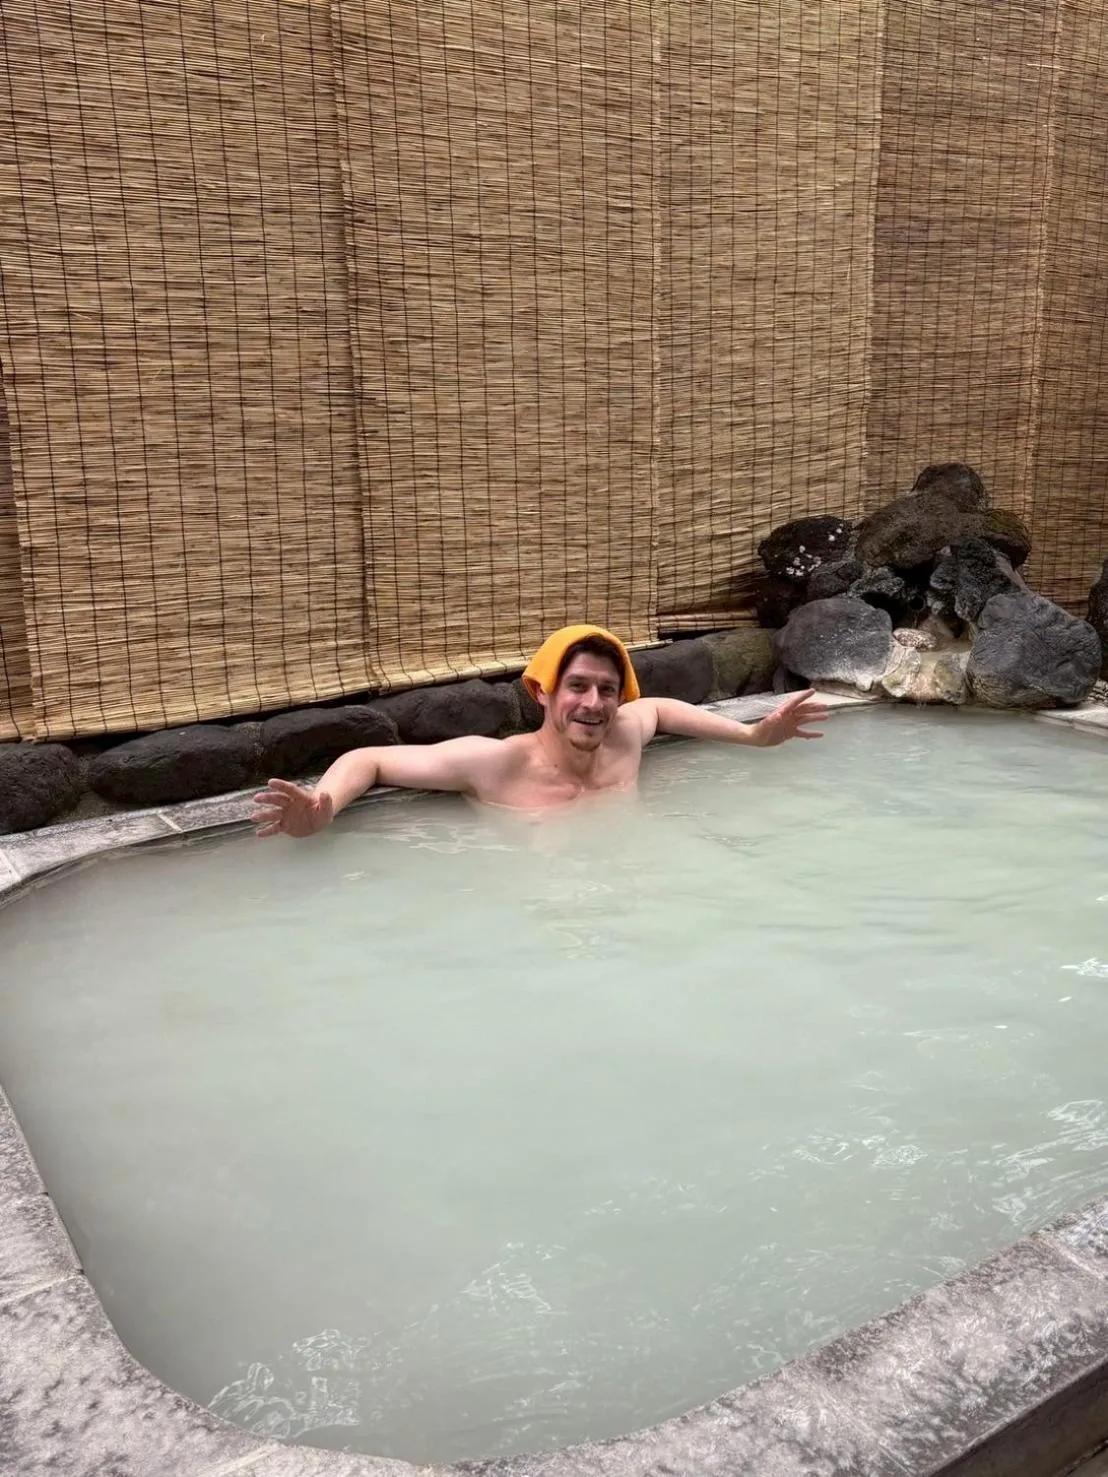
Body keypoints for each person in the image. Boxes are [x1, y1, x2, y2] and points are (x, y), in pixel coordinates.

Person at [251, 624, 828, 838]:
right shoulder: (497, 765)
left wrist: (754, 736)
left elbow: (662, 709)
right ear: (541, 692)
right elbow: (371, 757)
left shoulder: (626, 734)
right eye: (577, 686)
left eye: (607, 689)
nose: (593, 703)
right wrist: (324, 807)